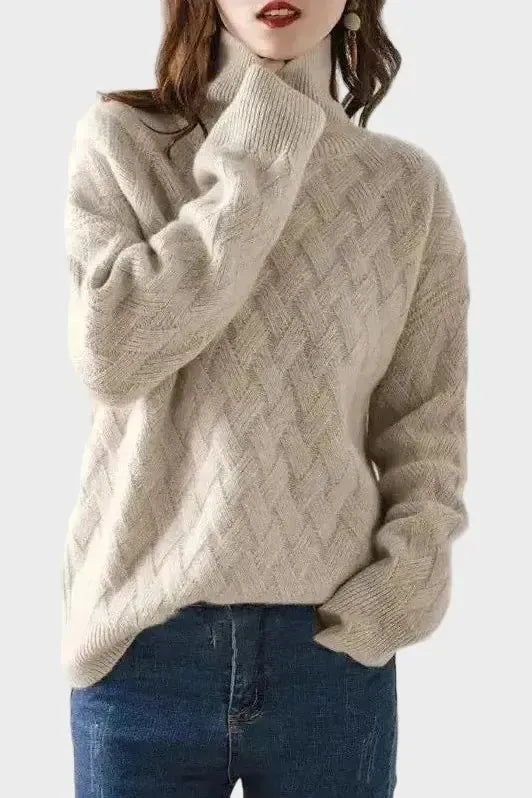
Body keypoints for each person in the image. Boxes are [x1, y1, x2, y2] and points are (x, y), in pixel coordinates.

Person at [63, 0, 470, 795]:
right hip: (143, 652)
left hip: (329, 658)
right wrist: (265, 140)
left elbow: (426, 428)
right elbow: (111, 358)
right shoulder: (123, 143)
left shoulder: (405, 190)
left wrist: (398, 593)